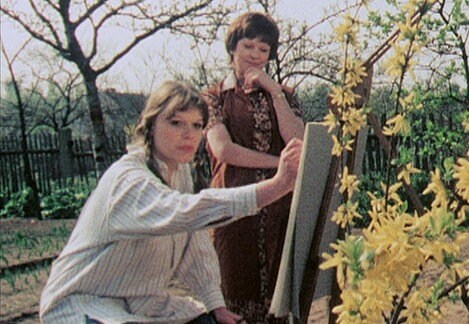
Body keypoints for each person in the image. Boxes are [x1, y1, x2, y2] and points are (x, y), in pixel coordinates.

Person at [39, 80, 302, 324]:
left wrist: (215, 305)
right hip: (83, 305)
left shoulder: (178, 173)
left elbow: (194, 243)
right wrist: (277, 185)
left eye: (197, 125)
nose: (188, 134)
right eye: (176, 122)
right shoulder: (129, 178)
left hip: (142, 305)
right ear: (151, 125)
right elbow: (186, 212)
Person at [203, 12, 305, 323]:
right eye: (249, 46)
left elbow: (299, 139)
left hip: (279, 210)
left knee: (279, 300)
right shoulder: (214, 96)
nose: (256, 56)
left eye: (264, 49)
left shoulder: (283, 95)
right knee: (235, 297)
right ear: (232, 48)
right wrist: (279, 165)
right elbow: (224, 149)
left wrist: (274, 92)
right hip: (235, 209)